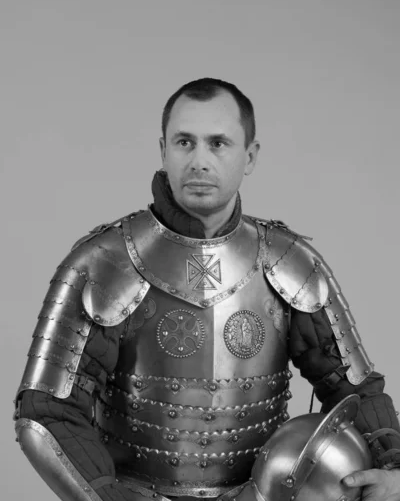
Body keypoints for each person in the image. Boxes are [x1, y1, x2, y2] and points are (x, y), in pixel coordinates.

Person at [14, 78, 400, 501]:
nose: (199, 160)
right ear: (163, 150)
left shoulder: (291, 262)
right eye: (184, 142)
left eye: (218, 143)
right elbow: (47, 411)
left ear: (249, 156)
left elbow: (356, 390)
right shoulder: (103, 263)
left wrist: (394, 468)